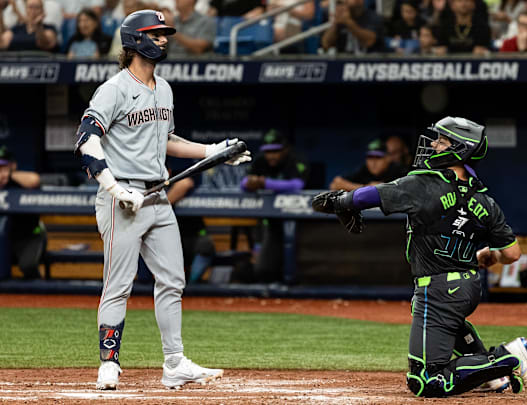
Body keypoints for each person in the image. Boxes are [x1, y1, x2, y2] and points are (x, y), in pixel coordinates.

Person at [73, 9, 251, 390]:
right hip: (122, 198)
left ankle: (174, 363)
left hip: (157, 196)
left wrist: (213, 150)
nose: (164, 39)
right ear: (136, 40)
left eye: (165, 34)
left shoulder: (164, 89)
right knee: (118, 283)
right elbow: (86, 140)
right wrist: (116, 189)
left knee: (172, 280)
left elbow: (167, 140)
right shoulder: (113, 89)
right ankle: (109, 362)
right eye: (156, 34)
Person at [312, 116, 527, 398]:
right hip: (467, 287)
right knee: (438, 315)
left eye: (442, 141)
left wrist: (340, 201)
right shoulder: (484, 199)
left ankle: (507, 356)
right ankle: (492, 376)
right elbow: (512, 254)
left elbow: (373, 195)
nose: (433, 144)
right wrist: (488, 256)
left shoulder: (425, 183)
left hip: (440, 288)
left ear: (460, 149)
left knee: (426, 380)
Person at [241, 129, 308, 282]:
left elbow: (297, 184)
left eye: (275, 151)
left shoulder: (295, 159)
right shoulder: (261, 161)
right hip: (272, 223)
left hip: (300, 220)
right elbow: (244, 184)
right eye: (268, 151)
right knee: (263, 269)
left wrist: (265, 183)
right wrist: (251, 183)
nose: (271, 155)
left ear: (285, 149)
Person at [0, 146, 45, 280]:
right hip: (5, 240)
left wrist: (9, 174)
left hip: (28, 236)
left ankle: (40, 292)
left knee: (28, 266)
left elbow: (34, 180)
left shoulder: (19, 181)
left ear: (13, 166)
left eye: (4, 166)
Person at [329, 139, 405, 192]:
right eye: (370, 158)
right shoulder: (364, 170)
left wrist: (380, 189)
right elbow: (335, 183)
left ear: (388, 158)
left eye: (378, 158)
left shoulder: (397, 170)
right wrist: (366, 188)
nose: (373, 162)